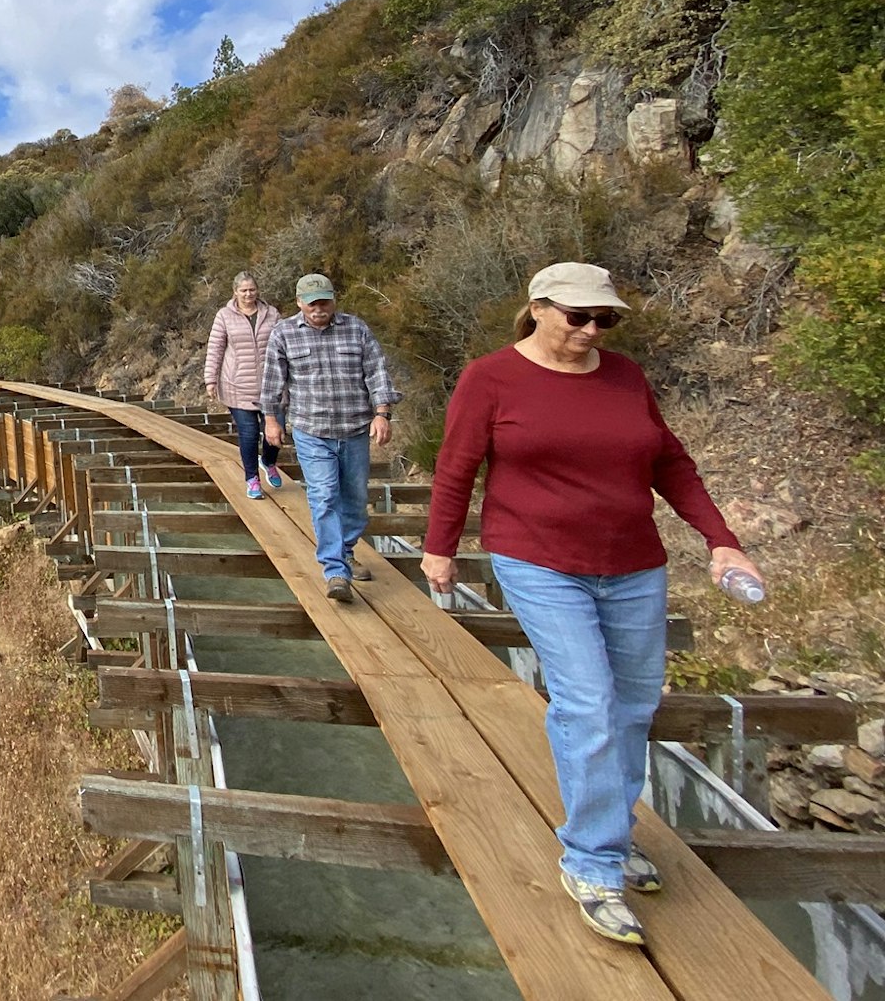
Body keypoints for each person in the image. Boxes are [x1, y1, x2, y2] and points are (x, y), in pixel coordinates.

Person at [421, 263, 763, 948]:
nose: (590, 330)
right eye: (578, 317)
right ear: (540, 309)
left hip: (633, 562)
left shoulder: (625, 378)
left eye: (604, 319)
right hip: (538, 557)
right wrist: (440, 547)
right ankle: (593, 862)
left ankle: (611, 830)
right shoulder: (492, 378)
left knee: (634, 706)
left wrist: (721, 541)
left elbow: (670, 463)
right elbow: (458, 465)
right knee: (587, 701)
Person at [261, 273, 400, 603]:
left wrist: (382, 413)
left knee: (354, 500)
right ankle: (335, 570)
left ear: (333, 300)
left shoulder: (356, 329)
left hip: (354, 430)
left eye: (324, 301)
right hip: (312, 431)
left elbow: (377, 371)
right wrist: (271, 421)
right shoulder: (283, 334)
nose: (318, 308)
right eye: (312, 303)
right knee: (324, 495)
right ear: (299, 303)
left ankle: (346, 549)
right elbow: (271, 382)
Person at [204, 271, 282, 499]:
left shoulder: (272, 314)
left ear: (258, 291)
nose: (248, 294)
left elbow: (284, 344)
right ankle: (252, 479)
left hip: (272, 385)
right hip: (237, 385)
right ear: (235, 292)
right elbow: (215, 348)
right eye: (244, 290)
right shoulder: (224, 316)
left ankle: (268, 461)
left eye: (252, 290)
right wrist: (210, 379)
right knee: (248, 434)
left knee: (276, 432)